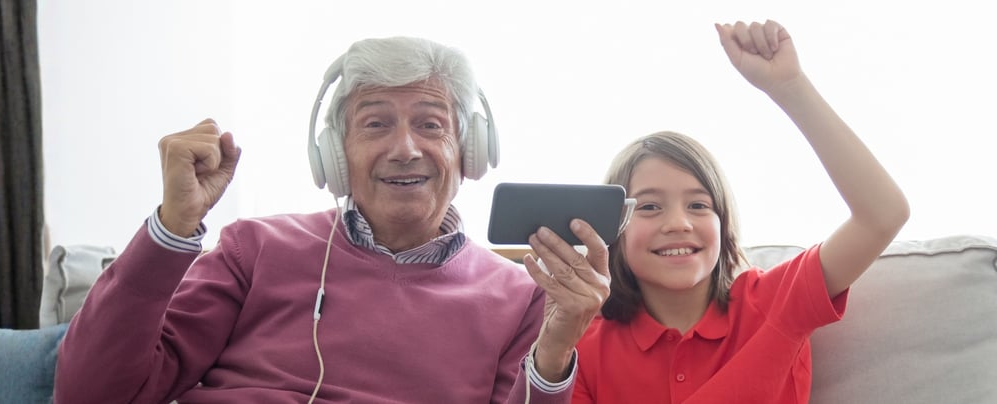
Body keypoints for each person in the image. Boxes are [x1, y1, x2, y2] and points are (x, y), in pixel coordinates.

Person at [54, 36, 610, 403]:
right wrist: (171, 232)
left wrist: (555, 351)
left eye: (431, 124)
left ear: (470, 151)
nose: (405, 148)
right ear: (335, 155)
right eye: (374, 125)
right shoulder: (254, 248)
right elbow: (89, 393)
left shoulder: (521, 295)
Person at [572, 20, 910, 403]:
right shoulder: (584, 344)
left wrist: (789, 87)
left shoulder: (771, 301)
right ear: (614, 230)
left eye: (699, 205)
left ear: (723, 225)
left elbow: (883, 214)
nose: (679, 223)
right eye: (650, 206)